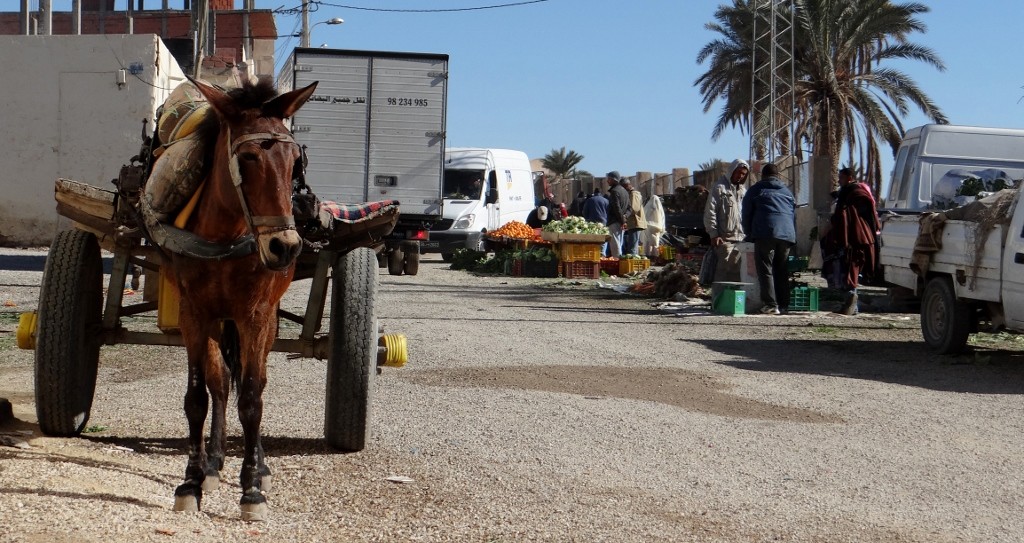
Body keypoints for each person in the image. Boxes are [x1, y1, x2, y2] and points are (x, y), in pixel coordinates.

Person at [821, 167, 881, 315]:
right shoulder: (849, 193)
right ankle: (852, 305)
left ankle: (852, 304)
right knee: (848, 269)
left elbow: (850, 215)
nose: (839, 181)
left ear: (849, 177)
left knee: (851, 268)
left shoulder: (856, 193)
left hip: (855, 237)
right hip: (853, 237)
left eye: (841, 178)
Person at [741, 163, 796, 315]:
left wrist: (749, 234)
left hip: (765, 233)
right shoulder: (787, 192)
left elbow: (746, 214)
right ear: (778, 176)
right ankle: (784, 304)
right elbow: (793, 215)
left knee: (765, 269)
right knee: (781, 269)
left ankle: (771, 304)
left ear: (763, 176)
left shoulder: (755, 190)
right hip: (786, 235)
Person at [703, 159, 749, 282]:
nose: (740, 176)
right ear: (732, 171)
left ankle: (733, 300)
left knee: (738, 273)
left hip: (740, 239)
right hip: (724, 239)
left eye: (743, 174)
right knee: (723, 273)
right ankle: (719, 299)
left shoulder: (743, 192)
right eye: (738, 172)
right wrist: (714, 234)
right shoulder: (719, 188)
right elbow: (710, 212)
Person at [605, 171, 631, 257]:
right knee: (619, 242)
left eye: (609, 179)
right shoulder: (625, 191)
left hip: (614, 221)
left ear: (614, 180)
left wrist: (622, 220)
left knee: (615, 243)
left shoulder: (615, 191)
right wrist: (625, 218)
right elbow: (629, 209)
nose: (607, 181)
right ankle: (620, 261)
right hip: (620, 220)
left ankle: (617, 262)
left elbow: (617, 208)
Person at [621, 180, 647, 255]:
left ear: (626, 186)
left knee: (632, 246)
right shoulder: (630, 194)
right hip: (632, 222)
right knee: (632, 244)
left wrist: (625, 216)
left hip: (635, 222)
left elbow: (634, 209)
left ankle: (633, 261)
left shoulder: (634, 194)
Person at [582, 188, 610, 255]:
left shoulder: (590, 200)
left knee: (593, 238)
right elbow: (609, 211)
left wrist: (587, 219)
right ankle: (602, 253)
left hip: (592, 221)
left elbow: (584, 212)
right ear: (601, 193)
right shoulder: (606, 201)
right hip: (604, 221)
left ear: (594, 193)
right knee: (603, 237)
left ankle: (593, 253)